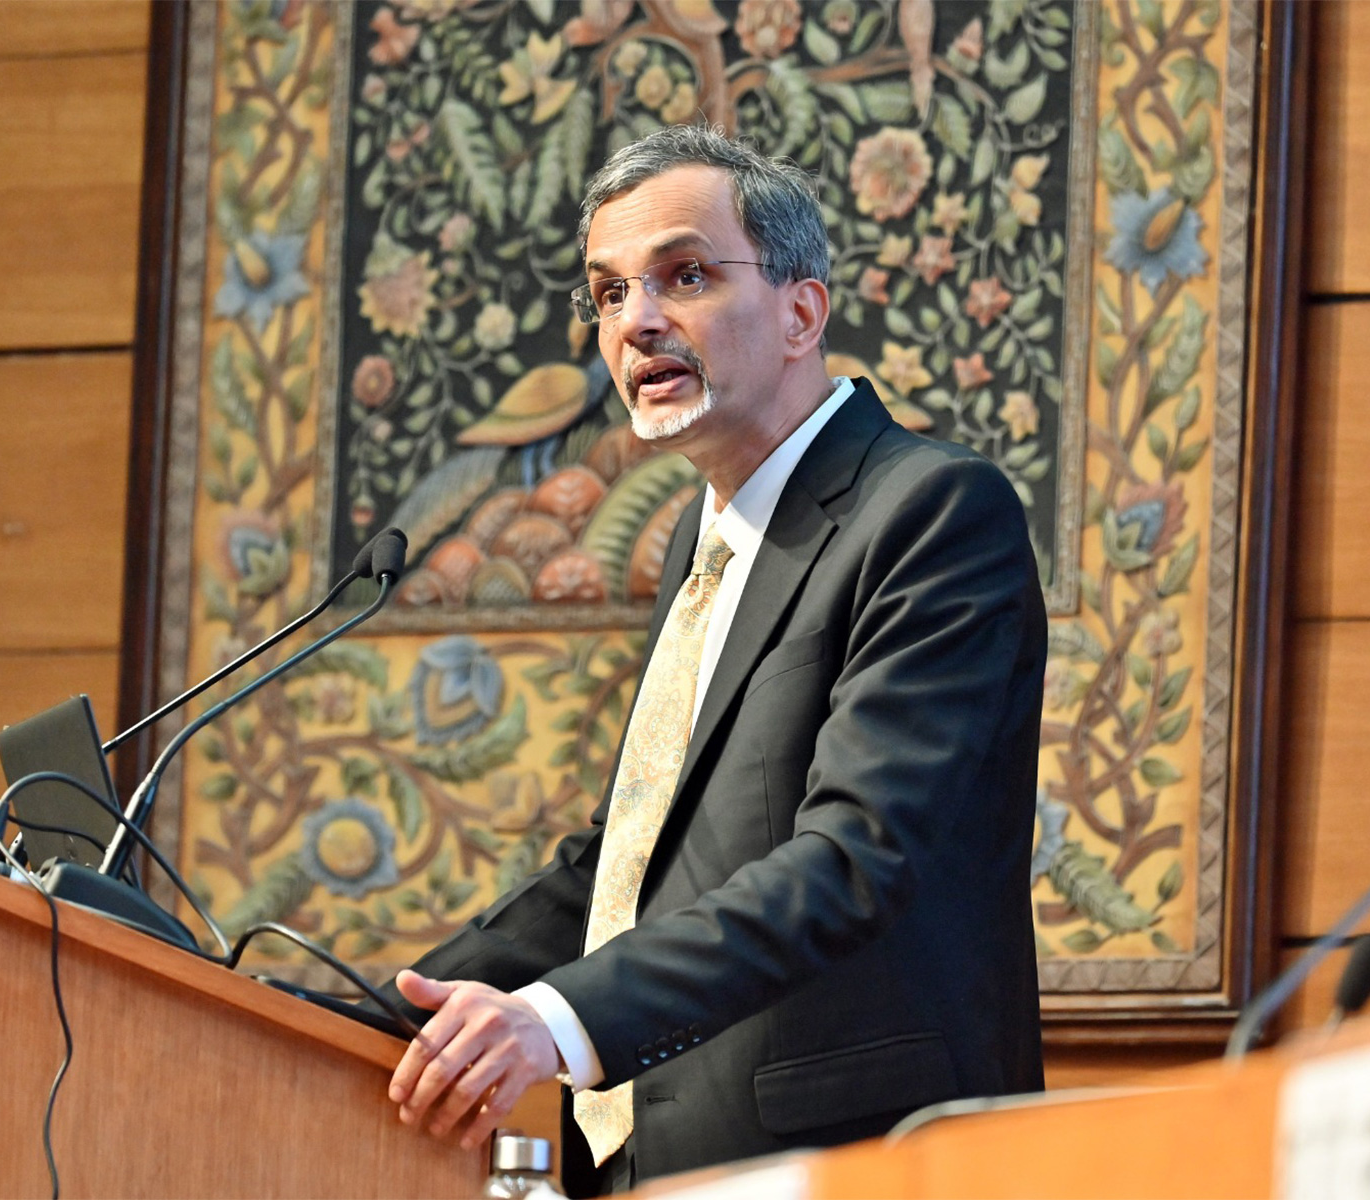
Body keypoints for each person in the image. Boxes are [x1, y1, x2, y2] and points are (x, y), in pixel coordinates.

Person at [381, 125, 1047, 1196]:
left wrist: (559, 1019)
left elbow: (854, 857)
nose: (636, 320)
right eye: (606, 294)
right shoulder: (712, 544)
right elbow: (624, 872)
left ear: (801, 312)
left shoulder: (927, 512)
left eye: (682, 275)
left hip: (863, 1161)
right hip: (665, 1166)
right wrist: (366, 1006)